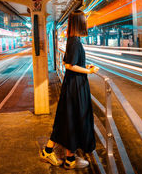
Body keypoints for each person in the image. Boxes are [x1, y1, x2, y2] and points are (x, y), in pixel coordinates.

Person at [40, 10, 100, 169]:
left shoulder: (73, 40)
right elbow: (69, 65)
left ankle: (68, 158)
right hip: (74, 87)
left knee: (69, 120)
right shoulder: (74, 41)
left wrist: (85, 66)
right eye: (85, 19)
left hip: (73, 85)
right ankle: (64, 157)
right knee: (72, 119)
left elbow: (72, 63)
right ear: (81, 22)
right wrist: (89, 71)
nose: (86, 21)